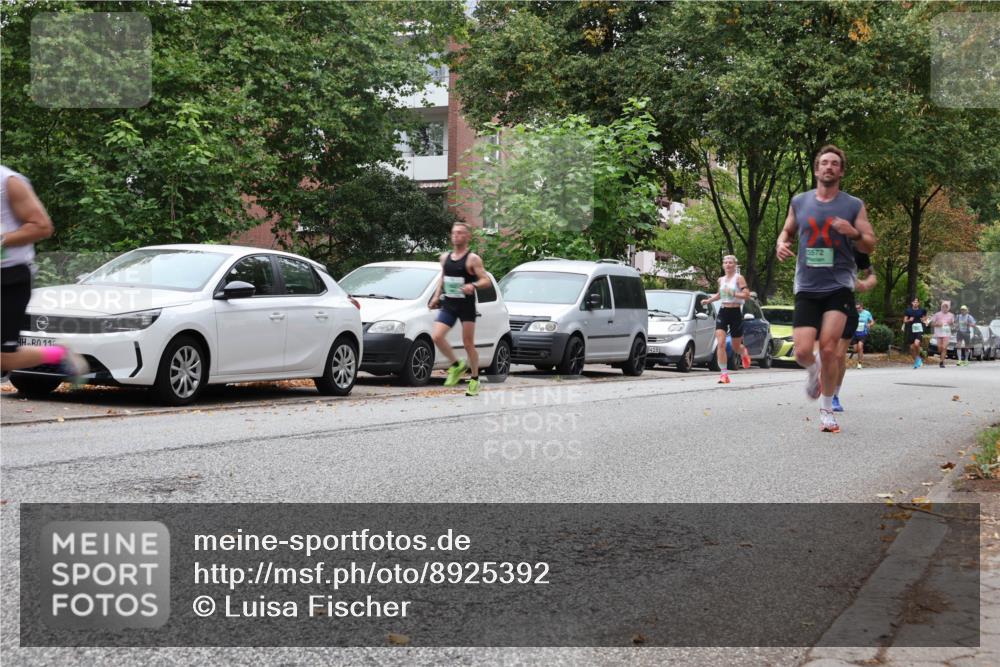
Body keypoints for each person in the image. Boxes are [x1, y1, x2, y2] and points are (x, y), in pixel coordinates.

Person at [776, 145, 876, 434]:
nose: (829, 167)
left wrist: (853, 232)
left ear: (841, 171)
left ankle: (827, 410)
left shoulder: (853, 205)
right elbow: (787, 231)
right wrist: (781, 243)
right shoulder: (799, 201)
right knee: (803, 352)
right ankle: (812, 370)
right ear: (817, 169)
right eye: (824, 163)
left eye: (834, 163)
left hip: (839, 284)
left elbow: (869, 243)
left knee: (830, 348)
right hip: (806, 285)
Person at [1, 165, 87, 381]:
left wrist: (2, 239)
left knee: (3, 359)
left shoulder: (8, 182)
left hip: (10, 278)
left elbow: (42, 227)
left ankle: (59, 353)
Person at [428, 222, 492, 396]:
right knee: (436, 336)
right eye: (454, 233)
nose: (456, 235)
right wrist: (436, 296)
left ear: (467, 236)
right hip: (449, 304)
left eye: (460, 233)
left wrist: (473, 285)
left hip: (466, 306)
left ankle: (474, 380)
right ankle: (457, 365)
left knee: (468, 343)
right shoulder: (444, 257)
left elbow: (486, 280)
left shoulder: (473, 259)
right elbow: (443, 277)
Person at [831, 254, 876, 413]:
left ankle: (834, 395)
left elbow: (870, 272)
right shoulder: (819, 240)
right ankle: (820, 378)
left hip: (846, 308)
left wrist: (867, 282)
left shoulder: (854, 247)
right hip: (821, 304)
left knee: (838, 356)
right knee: (824, 353)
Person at [701, 255, 752, 384]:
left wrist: (734, 293)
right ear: (723, 265)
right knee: (721, 343)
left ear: (735, 265)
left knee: (735, 347)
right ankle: (724, 374)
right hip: (723, 312)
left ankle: (743, 352)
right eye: (726, 262)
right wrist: (709, 300)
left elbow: (747, 295)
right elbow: (720, 294)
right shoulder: (721, 280)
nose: (728, 264)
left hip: (735, 312)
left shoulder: (739, 278)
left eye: (730, 262)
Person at [902, 297, 928, 369]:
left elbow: (925, 318)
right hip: (911, 330)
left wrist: (924, 319)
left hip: (919, 329)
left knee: (916, 344)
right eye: (914, 302)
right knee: (911, 347)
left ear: (918, 303)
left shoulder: (922, 310)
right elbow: (904, 320)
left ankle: (918, 360)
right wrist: (909, 320)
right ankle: (917, 360)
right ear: (912, 303)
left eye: (917, 302)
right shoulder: (908, 311)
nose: (915, 303)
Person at [929, 301, 955, 368]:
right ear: (941, 307)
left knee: (944, 347)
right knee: (939, 348)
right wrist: (937, 324)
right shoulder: (937, 314)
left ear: (948, 308)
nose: (945, 308)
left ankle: (942, 362)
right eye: (943, 306)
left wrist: (951, 323)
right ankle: (942, 355)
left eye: (946, 307)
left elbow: (953, 324)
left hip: (946, 333)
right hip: (938, 333)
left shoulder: (951, 315)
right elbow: (931, 324)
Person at [850, 300, 875, 369]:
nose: (857, 310)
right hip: (854, 333)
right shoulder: (853, 313)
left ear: (862, 307)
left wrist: (870, 324)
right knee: (855, 349)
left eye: (859, 308)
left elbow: (872, 321)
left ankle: (859, 363)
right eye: (856, 308)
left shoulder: (867, 313)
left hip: (863, 333)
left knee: (860, 346)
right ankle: (858, 357)